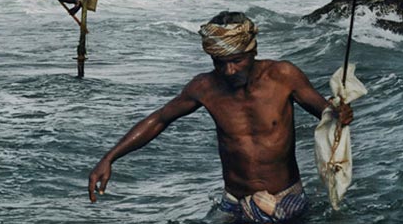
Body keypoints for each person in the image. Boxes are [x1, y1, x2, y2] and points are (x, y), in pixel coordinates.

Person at [87, 11, 355, 223]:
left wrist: (339, 112)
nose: (228, 70)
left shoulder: (283, 76)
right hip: (234, 202)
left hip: (285, 200)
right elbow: (159, 119)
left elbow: (325, 111)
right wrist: (109, 158)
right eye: (219, 62)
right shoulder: (204, 87)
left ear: (252, 52)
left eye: (236, 60)